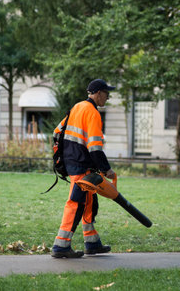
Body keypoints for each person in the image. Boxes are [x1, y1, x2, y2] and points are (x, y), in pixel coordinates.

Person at [51, 79, 117, 258]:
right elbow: (95, 147)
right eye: (106, 93)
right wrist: (106, 170)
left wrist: (65, 157)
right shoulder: (93, 113)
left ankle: (92, 242)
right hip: (81, 165)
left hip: (74, 163)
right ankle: (61, 246)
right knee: (76, 202)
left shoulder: (77, 107)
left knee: (89, 202)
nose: (107, 97)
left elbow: (57, 132)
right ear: (97, 93)